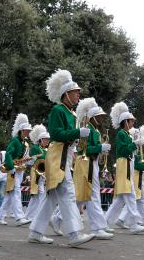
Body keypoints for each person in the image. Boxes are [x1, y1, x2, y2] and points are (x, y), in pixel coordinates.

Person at [27, 69, 94, 246]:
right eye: (75, 92)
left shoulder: (71, 113)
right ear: (66, 94)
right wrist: (77, 132)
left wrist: (78, 136)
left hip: (66, 154)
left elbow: (68, 136)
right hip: (58, 154)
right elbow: (56, 133)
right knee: (68, 193)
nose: (78, 94)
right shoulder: (58, 109)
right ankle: (74, 234)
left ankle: (35, 231)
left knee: (53, 197)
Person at [103, 101, 144, 234]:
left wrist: (136, 144)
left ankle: (105, 222)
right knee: (130, 194)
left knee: (121, 199)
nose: (133, 123)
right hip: (124, 165)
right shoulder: (121, 134)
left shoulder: (126, 134)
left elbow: (129, 150)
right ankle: (134, 224)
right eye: (131, 121)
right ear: (125, 121)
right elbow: (123, 150)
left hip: (127, 164)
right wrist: (135, 144)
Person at [73, 97, 114, 239]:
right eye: (99, 117)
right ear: (91, 117)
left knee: (84, 196)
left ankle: (58, 217)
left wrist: (101, 151)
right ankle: (98, 227)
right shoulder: (86, 128)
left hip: (93, 163)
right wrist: (99, 147)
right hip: (86, 163)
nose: (101, 119)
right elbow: (83, 149)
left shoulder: (94, 130)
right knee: (91, 195)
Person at [0, 113, 33, 226]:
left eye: (28, 131)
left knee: (10, 195)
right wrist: (11, 168)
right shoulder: (15, 141)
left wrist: (30, 160)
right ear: (21, 131)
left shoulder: (24, 143)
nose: (28, 132)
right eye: (26, 130)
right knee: (16, 192)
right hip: (13, 171)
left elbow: (23, 158)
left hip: (19, 170)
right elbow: (9, 155)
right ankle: (19, 217)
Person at [23, 125, 49, 221]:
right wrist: (36, 157)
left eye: (48, 140)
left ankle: (28, 216)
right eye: (45, 139)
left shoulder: (46, 150)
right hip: (36, 173)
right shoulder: (35, 148)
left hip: (43, 174)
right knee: (39, 194)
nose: (47, 141)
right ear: (40, 139)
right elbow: (30, 161)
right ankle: (37, 216)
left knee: (36, 197)